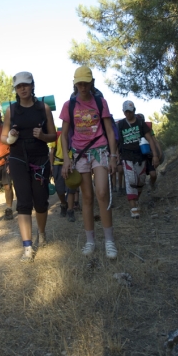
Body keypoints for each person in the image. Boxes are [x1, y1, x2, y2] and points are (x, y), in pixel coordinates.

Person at [60, 66, 118, 259]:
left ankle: (109, 241)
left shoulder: (101, 102)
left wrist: (113, 156)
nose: (83, 87)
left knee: (102, 192)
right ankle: (90, 241)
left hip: (100, 149)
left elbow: (109, 131)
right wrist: (67, 159)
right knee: (87, 198)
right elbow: (63, 136)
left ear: (92, 83)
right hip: (79, 154)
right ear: (74, 84)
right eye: (79, 84)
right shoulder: (69, 105)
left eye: (86, 83)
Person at [1, 71, 56, 263]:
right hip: (17, 158)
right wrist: (11, 137)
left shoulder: (43, 108)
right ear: (16, 89)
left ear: (32, 86)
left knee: (40, 202)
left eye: (26, 85)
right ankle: (27, 247)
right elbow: (3, 137)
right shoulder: (11, 110)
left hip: (40, 158)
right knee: (23, 202)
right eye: (19, 86)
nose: (23, 89)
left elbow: (54, 135)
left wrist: (42, 136)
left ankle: (41, 233)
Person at [118, 101, 159, 218]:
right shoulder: (120, 124)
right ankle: (133, 208)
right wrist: (116, 158)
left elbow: (150, 139)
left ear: (134, 111)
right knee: (131, 181)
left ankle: (136, 201)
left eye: (130, 111)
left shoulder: (140, 123)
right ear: (123, 112)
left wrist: (155, 155)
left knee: (140, 182)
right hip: (127, 156)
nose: (128, 114)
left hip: (141, 156)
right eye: (126, 112)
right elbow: (117, 142)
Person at [49, 130, 76, 222]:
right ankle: (63, 204)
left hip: (71, 164)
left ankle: (70, 210)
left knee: (71, 188)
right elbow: (52, 152)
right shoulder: (57, 135)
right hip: (58, 164)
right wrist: (51, 165)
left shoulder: (74, 134)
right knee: (59, 189)